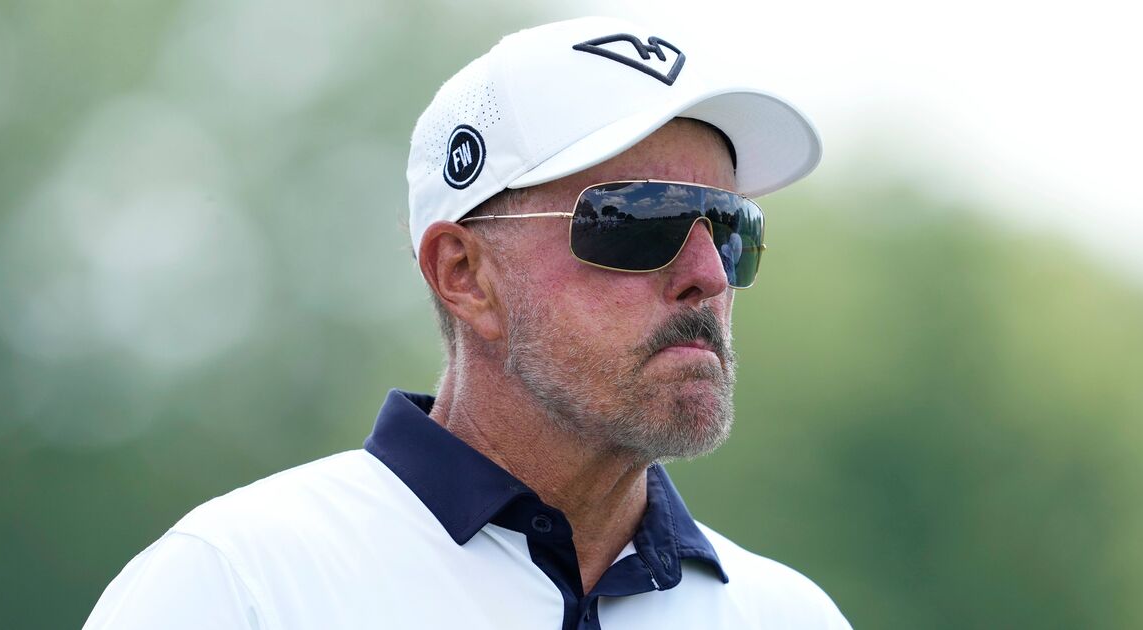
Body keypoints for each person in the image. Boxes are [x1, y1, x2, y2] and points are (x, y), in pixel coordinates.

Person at [85, 16, 851, 629]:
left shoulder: (788, 616)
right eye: (639, 221)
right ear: (464, 275)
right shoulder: (238, 585)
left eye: (731, 228)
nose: (709, 276)